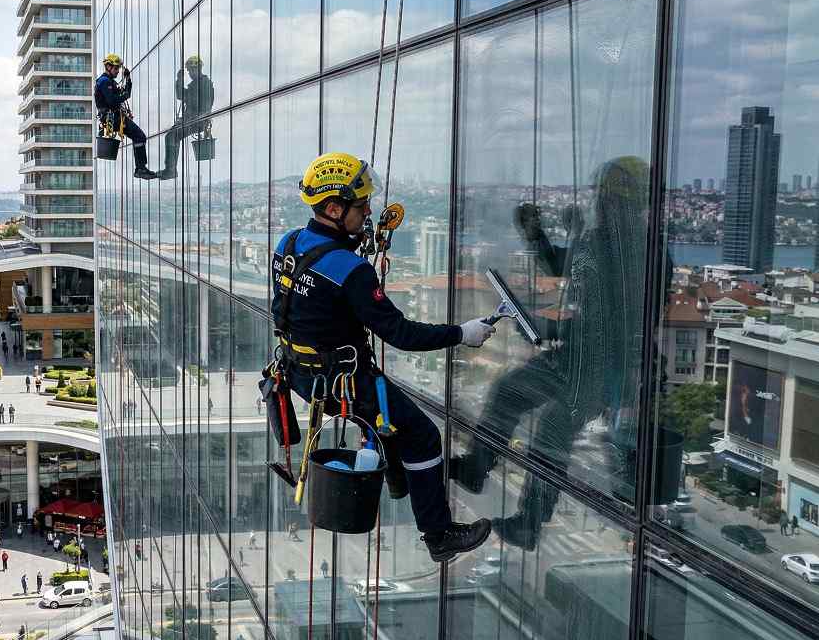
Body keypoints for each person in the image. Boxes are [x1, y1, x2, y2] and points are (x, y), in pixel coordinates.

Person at [271, 151, 495, 563]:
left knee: (396, 427)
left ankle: (405, 476)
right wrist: (463, 333)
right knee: (423, 434)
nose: (367, 212)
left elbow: (304, 307)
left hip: (300, 374)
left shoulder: (288, 244)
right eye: (360, 206)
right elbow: (400, 333)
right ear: (334, 208)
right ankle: (439, 535)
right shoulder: (350, 269)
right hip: (344, 383)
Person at [449, 157, 665, 551]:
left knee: (553, 430)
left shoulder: (643, 256)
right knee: (509, 391)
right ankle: (477, 468)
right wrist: (537, 237)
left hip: (604, 366)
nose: (600, 205)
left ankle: (530, 522)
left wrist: (551, 328)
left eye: (608, 200)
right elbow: (571, 266)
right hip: (577, 355)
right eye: (601, 198)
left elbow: (617, 324)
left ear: (631, 206)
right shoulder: (602, 242)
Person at [95, 53, 157, 179]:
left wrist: (128, 79)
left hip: (114, 117)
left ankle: (140, 168)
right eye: (116, 68)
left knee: (139, 136)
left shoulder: (109, 82)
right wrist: (124, 95)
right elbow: (113, 100)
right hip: (112, 117)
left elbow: (124, 93)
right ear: (108, 67)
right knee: (139, 136)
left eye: (118, 68)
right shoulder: (104, 81)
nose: (117, 71)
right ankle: (140, 169)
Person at [157, 55, 216, 179]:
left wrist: (186, 119)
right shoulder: (195, 84)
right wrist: (179, 80)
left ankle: (170, 170)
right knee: (172, 136)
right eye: (189, 70)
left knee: (171, 136)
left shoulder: (204, 84)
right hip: (194, 119)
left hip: (198, 120)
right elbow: (181, 96)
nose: (190, 73)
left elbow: (203, 107)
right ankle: (171, 170)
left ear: (199, 68)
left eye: (192, 70)